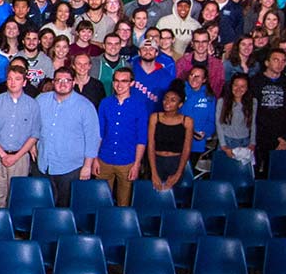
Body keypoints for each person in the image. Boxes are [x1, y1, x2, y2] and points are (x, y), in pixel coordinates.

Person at [33, 66, 99, 207]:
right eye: (58, 80)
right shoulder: (41, 100)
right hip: (44, 163)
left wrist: (88, 166)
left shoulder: (85, 106)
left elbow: (93, 138)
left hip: (71, 168)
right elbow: (32, 125)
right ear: (53, 81)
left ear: (73, 82)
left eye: (67, 80)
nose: (62, 84)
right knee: (43, 207)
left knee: (65, 209)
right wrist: (32, 145)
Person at [0, 65, 40, 215]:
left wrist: (16, 156)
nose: (13, 82)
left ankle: (12, 233)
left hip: (20, 157)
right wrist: (3, 155)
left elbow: (34, 134)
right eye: (10, 79)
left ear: (24, 82)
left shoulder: (32, 104)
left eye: (17, 79)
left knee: (17, 197)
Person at [95, 68, 149, 206]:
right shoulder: (105, 103)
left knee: (123, 203)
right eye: (117, 81)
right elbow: (99, 133)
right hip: (104, 160)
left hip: (127, 161)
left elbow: (141, 138)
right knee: (101, 202)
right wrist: (94, 159)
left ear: (131, 83)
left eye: (124, 81)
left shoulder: (140, 106)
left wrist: (137, 164)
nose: (119, 85)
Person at [146, 85, 192, 193]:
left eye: (173, 100)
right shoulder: (154, 117)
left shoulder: (187, 121)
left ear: (180, 104)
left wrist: (178, 173)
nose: (167, 102)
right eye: (166, 98)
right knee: (155, 195)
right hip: (156, 161)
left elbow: (186, 149)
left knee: (173, 195)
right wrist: (153, 172)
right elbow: (151, 145)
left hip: (175, 163)